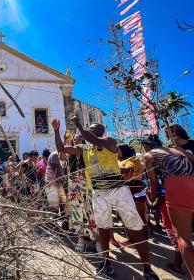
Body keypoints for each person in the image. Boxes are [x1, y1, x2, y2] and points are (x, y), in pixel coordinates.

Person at [51, 117, 159, 279]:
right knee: (103, 229)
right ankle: (106, 262)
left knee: (134, 229)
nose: (90, 129)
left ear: (100, 132)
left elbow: (91, 138)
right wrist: (56, 130)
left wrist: (79, 124)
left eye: (93, 127)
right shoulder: (85, 148)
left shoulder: (109, 141)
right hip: (99, 193)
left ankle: (148, 268)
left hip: (118, 191)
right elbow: (62, 149)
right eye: (89, 127)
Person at [142, 134, 194, 279]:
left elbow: (152, 182)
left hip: (177, 187)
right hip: (192, 181)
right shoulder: (176, 149)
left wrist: (151, 197)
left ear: (146, 145)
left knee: (183, 237)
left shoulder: (148, 155)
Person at [66, 133, 98, 252]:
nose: (76, 141)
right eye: (75, 139)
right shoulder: (70, 156)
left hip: (88, 187)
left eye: (79, 139)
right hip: (74, 189)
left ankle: (95, 241)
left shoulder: (89, 153)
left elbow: (96, 166)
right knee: (77, 214)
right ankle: (81, 241)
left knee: (91, 214)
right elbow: (61, 157)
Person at [117, 144, 148, 246]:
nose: (116, 152)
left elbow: (129, 170)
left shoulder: (133, 159)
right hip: (125, 193)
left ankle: (143, 240)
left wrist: (112, 166)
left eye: (118, 150)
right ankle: (131, 239)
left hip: (136, 192)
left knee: (140, 218)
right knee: (127, 218)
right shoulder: (120, 161)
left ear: (123, 151)